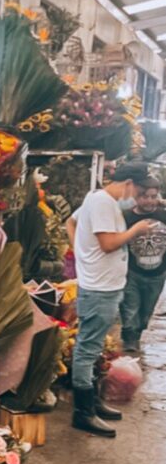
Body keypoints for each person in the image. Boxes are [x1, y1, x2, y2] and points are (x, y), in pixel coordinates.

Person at [66, 163, 154, 438]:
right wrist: (135, 231)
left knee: (92, 348)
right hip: (100, 288)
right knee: (87, 349)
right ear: (128, 183)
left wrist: (81, 254)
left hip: (102, 284)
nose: (138, 198)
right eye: (139, 191)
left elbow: (71, 222)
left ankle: (92, 402)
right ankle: (83, 412)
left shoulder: (97, 198)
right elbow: (108, 243)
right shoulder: (103, 203)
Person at [120, 177, 166, 352]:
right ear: (135, 197)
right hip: (132, 272)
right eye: (144, 196)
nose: (149, 201)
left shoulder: (163, 214)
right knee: (130, 308)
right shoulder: (127, 217)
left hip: (158, 273)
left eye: (153, 196)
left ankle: (138, 331)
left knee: (146, 311)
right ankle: (129, 337)